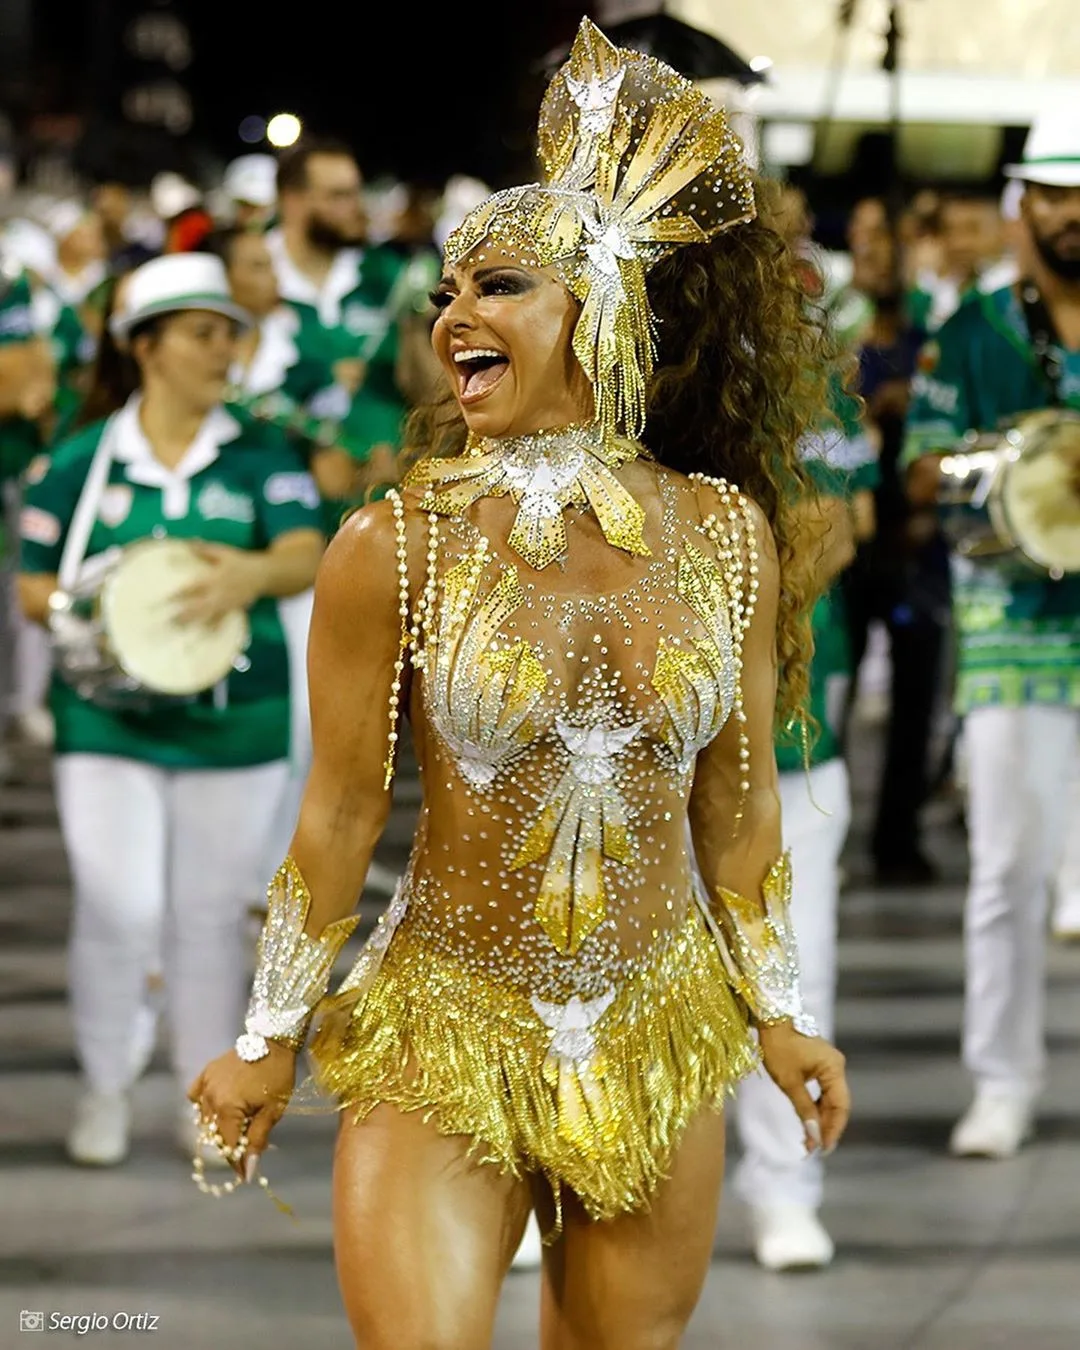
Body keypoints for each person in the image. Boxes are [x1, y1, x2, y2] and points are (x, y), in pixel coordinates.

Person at [190, 23, 850, 1346]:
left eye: (498, 285)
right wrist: (270, 1032)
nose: (455, 317)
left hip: (659, 1034)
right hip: (445, 1029)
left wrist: (782, 1012)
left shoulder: (728, 535)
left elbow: (737, 810)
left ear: (598, 310)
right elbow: (336, 811)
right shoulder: (394, 543)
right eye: (449, 290)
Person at [17, 253, 324, 1168]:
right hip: (107, 722)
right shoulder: (77, 462)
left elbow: (307, 552)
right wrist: (111, 604)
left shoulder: (264, 452)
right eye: (202, 333)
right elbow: (33, 588)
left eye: (230, 333)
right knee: (118, 906)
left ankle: (206, 1091)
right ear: (145, 347)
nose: (223, 350)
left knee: (206, 914)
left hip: (234, 724)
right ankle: (107, 1083)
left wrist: (248, 573)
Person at [904, 106, 1080, 1159]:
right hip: (1012, 626)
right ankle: (1002, 1080)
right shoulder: (974, 333)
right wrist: (1019, 471)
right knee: (1008, 867)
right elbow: (924, 472)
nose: (1069, 215)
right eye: (1053, 195)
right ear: (1024, 207)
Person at [736, 384, 875, 1270]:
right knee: (588, 973)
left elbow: (836, 524)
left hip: (789, 756)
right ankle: (557, 1189)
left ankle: (785, 1188)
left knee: (793, 968)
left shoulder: (810, 390)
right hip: (634, 755)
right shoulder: (607, 378)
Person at [264, 138, 412, 494]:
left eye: (355, 193)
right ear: (292, 200)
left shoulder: (386, 275)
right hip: (281, 484)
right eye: (338, 196)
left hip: (385, 482)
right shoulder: (251, 275)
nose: (355, 208)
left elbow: (426, 385)